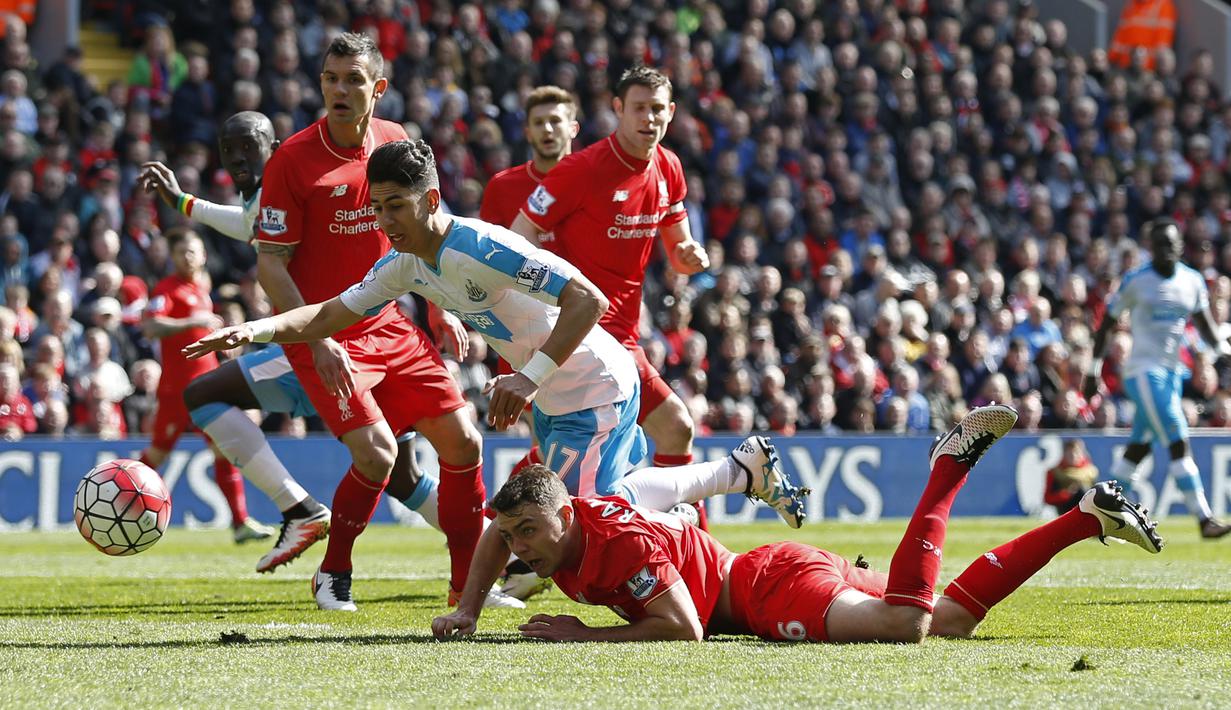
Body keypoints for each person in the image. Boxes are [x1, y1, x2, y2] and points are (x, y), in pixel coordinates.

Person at [183, 139, 808, 532]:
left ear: (430, 200)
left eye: (395, 205)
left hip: (592, 381)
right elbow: (326, 316)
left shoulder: (479, 246)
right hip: (559, 392)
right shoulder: (404, 262)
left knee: (580, 527)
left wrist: (526, 379)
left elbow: (585, 299)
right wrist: (255, 329)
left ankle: (704, 550)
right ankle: (738, 472)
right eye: (376, 207)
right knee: (600, 506)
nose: (383, 220)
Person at [433, 405, 1164, 643]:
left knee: (903, 625)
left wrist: (588, 635)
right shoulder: (552, 521)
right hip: (769, 568)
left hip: (760, 592)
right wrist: (467, 608)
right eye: (519, 534)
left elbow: (683, 627)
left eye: (530, 531)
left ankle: (946, 467)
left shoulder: (617, 539)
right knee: (945, 622)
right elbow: (496, 529)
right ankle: (1082, 520)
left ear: (563, 513)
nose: (520, 546)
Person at [140, 112, 474, 582]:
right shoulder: (278, 190)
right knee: (399, 472)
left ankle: (298, 509)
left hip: (331, 342)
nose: (238, 159)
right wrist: (182, 202)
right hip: (350, 336)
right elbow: (247, 222)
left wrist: (183, 202)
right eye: (228, 148)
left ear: (274, 149)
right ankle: (487, 559)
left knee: (205, 395)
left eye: (248, 147)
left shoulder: (291, 183)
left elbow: (252, 227)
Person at [253, 33, 487, 610]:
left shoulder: (395, 143)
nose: (339, 89)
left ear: (377, 89)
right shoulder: (292, 159)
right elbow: (269, 264)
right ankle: (333, 572)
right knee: (379, 453)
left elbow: (419, 237)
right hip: (322, 330)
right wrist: (319, 337)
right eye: (331, 78)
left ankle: (466, 588)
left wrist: (437, 306)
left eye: (353, 79)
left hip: (389, 323)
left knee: (464, 442)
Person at [509, 66, 710, 523]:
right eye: (639, 108)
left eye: (658, 109)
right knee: (674, 427)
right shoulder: (580, 170)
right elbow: (518, 237)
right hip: (586, 332)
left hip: (625, 333)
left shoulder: (669, 167)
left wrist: (689, 255)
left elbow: (677, 251)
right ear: (618, 109)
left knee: (558, 459)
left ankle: (505, 535)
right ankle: (690, 545)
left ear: (671, 112)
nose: (649, 118)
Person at [1084, 219, 1231, 539]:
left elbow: (1204, 324)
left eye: (1171, 243)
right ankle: (1204, 518)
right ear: (1150, 248)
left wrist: (1223, 349)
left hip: (1172, 374)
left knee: (1138, 448)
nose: (1166, 249)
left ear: (1180, 246)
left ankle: (1094, 513)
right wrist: (1093, 369)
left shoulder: (1191, 281)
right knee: (1178, 440)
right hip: (1141, 372)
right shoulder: (1137, 281)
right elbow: (1107, 322)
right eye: (1159, 244)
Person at [137, 228, 274, 543]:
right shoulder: (168, 289)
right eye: (181, 251)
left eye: (192, 251)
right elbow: (149, 326)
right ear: (172, 257)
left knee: (224, 449)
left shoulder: (201, 289)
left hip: (206, 388)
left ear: (203, 256)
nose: (187, 257)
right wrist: (193, 322)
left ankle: (240, 523)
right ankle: (119, 500)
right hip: (177, 391)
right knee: (157, 456)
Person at [1107, 0, 1176, 71]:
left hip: (1148, 71)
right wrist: (1110, 60)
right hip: (1125, 68)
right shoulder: (1131, 5)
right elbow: (1119, 39)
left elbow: (1162, 45)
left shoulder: (1163, 5)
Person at [1044, 439, 1099, 514]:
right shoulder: (1055, 472)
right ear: (1064, 454)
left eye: (1076, 452)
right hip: (1066, 510)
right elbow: (1048, 498)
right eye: (1069, 453)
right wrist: (1067, 494)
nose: (1073, 455)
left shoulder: (1091, 471)